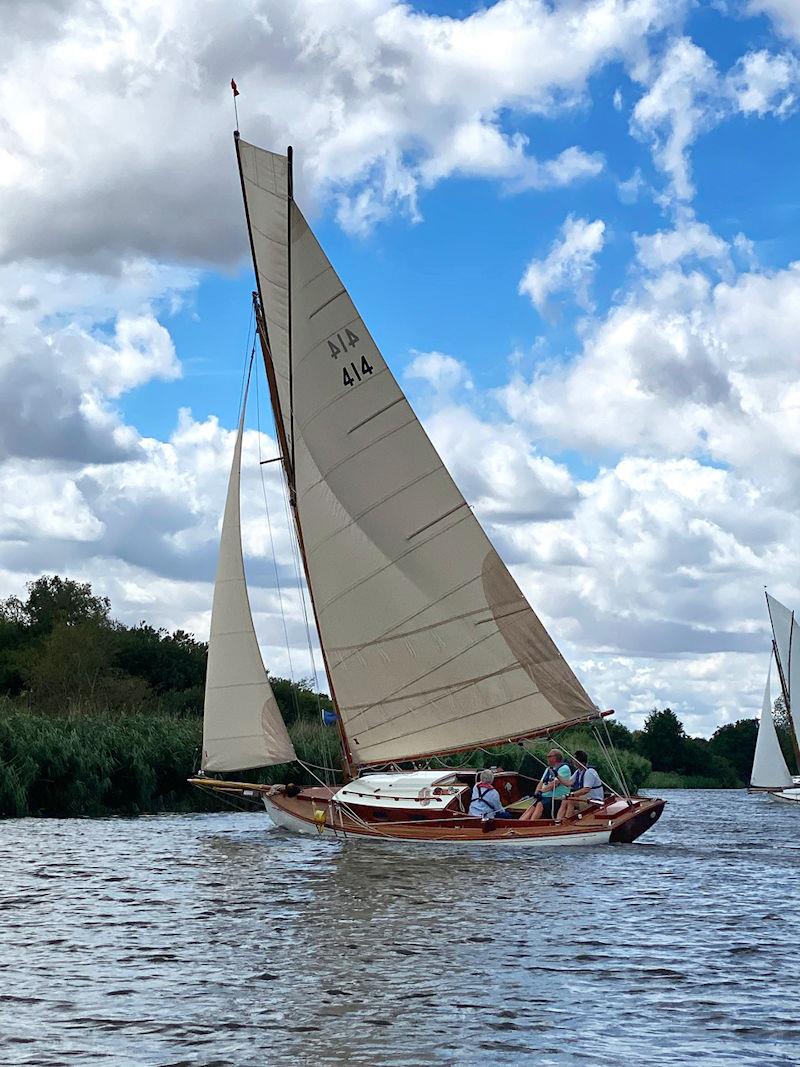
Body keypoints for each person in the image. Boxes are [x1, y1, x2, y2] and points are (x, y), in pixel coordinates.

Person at [519, 748, 571, 821]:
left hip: (556, 798)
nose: (547, 758)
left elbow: (555, 783)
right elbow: (541, 782)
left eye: (549, 756)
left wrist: (542, 791)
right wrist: (536, 793)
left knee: (539, 805)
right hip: (545, 797)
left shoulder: (564, 768)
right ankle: (520, 822)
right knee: (532, 807)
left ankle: (531, 823)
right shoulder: (548, 769)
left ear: (555, 757)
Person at [556, 750, 604, 823]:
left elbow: (586, 790)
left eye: (574, 760)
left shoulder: (589, 772)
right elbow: (568, 783)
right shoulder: (578, 771)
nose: (572, 761)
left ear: (580, 761)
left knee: (570, 800)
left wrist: (571, 794)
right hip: (584, 800)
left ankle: (567, 821)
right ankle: (558, 821)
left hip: (594, 801)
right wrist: (557, 775)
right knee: (565, 801)